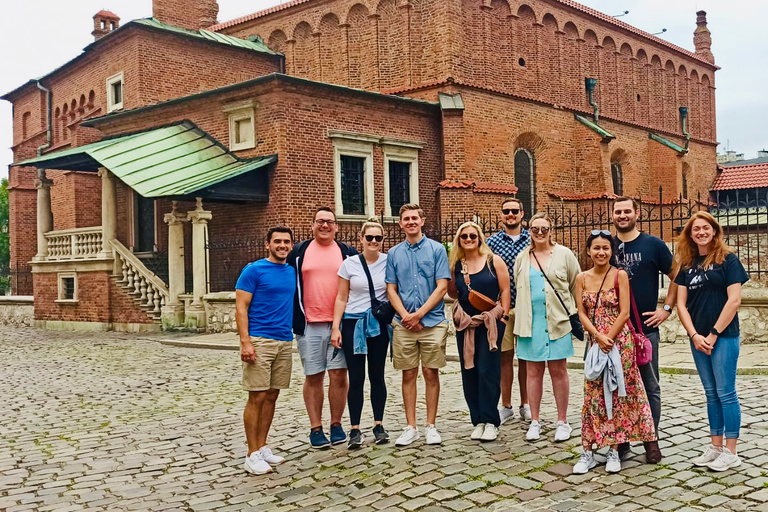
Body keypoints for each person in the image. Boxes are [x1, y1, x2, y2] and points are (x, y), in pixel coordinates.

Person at [574, 230, 656, 474]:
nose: (601, 252)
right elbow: (581, 313)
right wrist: (598, 337)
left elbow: (624, 312)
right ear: (589, 250)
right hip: (596, 343)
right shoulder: (581, 278)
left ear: (612, 251)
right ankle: (588, 449)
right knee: (593, 395)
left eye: (606, 248)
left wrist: (608, 337)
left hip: (619, 343)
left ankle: (613, 449)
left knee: (618, 393)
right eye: (596, 248)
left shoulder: (619, 275)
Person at [674, 212, 748, 472]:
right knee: (710, 393)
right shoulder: (687, 263)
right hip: (698, 338)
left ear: (714, 231)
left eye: (706, 228)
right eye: (696, 229)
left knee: (726, 393)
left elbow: (734, 300)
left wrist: (714, 332)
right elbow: (681, 304)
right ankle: (715, 446)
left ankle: (731, 451)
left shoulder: (728, 260)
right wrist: (694, 335)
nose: (701, 232)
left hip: (723, 336)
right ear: (690, 234)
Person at [287, 207, 358, 449]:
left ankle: (336, 424)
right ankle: (315, 428)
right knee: (314, 375)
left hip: (341, 323)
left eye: (329, 222)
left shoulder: (347, 253)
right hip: (309, 325)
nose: (324, 226)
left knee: (339, 375)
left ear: (337, 226)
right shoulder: (299, 252)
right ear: (313, 225)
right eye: (320, 221)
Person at [612, 196, 675, 463]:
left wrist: (667, 309)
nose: (623, 215)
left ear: (636, 213)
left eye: (627, 211)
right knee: (617, 387)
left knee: (650, 386)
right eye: (618, 212)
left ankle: (652, 439)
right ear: (612, 215)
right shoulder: (606, 245)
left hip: (644, 330)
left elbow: (677, 277)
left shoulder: (654, 245)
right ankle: (621, 441)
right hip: (613, 332)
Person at [386, 203, 451, 446]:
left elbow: (442, 286)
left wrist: (419, 314)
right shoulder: (394, 253)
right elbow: (391, 288)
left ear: (422, 222)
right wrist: (406, 315)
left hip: (432, 322)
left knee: (430, 372)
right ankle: (410, 425)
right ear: (401, 224)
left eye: (415, 218)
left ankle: (430, 425)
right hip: (403, 324)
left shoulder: (436, 250)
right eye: (406, 219)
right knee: (408, 374)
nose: (411, 222)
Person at [513, 213, 580, 442]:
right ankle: (535, 420)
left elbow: (576, 284)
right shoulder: (522, 258)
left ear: (551, 230)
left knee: (559, 371)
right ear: (529, 230)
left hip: (558, 322)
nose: (539, 233)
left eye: (544, 228)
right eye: (535, 229)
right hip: (530, 324)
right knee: (533, 372)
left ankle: (562, 421)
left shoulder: (564, 255)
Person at [236, 227, 296, 475]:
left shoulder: (291, 270)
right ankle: (251, 454)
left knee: (272, 395)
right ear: (267, 244)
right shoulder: (253, 270)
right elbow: (241, 307)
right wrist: (245, 342)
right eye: (277, 241)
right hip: (260, 340)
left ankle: (261, 447)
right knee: (257, 396)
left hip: (284, 340)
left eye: (286, 242)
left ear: (291, 246)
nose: (282, 245)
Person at [331, 219, 391, 449]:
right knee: (356, 378)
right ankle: (355, 428)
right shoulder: (349, 264)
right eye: (370, 237)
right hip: (353, 323)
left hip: (377, 324)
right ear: (361, 239)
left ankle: (378, 424)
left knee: (377, 375)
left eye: (378, 238)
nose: (374, 241)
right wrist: (336, 327)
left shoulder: (388, 262)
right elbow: (341, 297)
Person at [447, 222, 510, 442]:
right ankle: (478, 420)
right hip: (467, 324)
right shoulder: (456, 265)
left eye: (473, 235)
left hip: (491, 323)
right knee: (469, 371)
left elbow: (505, 290)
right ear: (459, 239)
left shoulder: (493, 261)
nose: (469, 239)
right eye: (464, 236)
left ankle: (491, 420)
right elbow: (453, 293)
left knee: (487, 370)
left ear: (480, 237)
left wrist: (503, 316)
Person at [487, 198, 531, 424]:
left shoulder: (532, 239)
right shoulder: (491, 242)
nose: (511, 214)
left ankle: (526, 404)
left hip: (526, 308)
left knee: (525, 358)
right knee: (504, 357)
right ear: (501, 215)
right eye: (506, 211)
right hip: (502, 308)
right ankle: (506, 405)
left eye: (515, 211)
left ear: (522, 213)